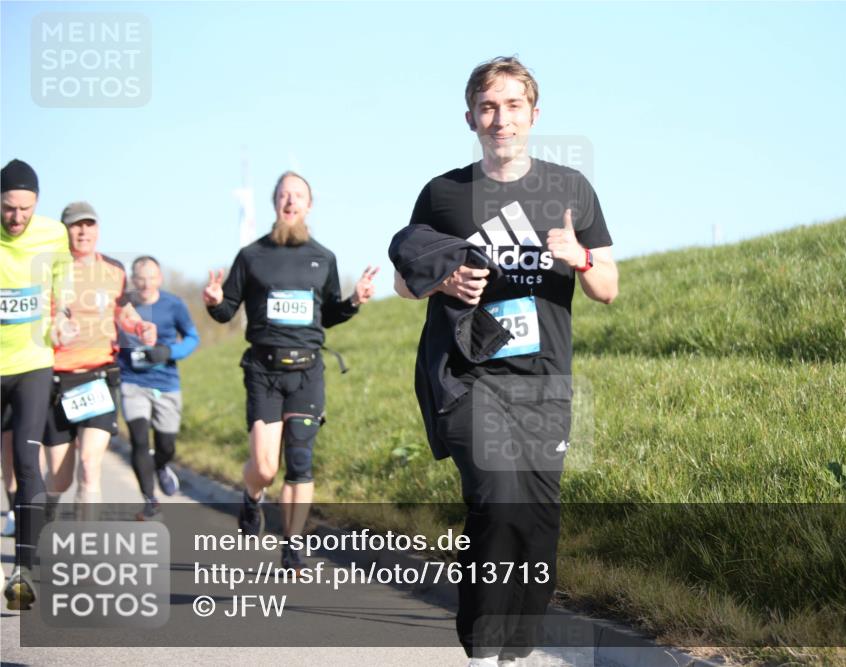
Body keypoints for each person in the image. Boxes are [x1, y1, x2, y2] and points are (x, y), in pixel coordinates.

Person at [390, 57, 618, 666]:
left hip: (545, 382)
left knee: (538, 520)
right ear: (471, 117)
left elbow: (610, 288)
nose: (501, 119)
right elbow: (404, 281)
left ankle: (515, 650)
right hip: (470, 376)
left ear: (533, 114)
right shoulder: (443, 193)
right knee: (495, 500)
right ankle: (484, 652)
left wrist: (580, 257)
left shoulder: (570, 189)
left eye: (514, 105)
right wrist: (442, 285)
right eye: (489, 107)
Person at [203, 170, 378, 572]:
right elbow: (228, 309)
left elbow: (328, 314)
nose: (290, 201)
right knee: (264, 467)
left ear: (309, 205)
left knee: (300, 460)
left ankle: (293, 545)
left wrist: (355, 300)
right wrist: (214, 301)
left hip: (307, 372)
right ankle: (251, 496)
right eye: (283, 195)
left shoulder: (323, 257)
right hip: (263, 371)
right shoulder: (251, 256)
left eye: (298, 195)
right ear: (275, 203)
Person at [42, 202, 155, 521]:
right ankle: (45, 517)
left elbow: (125, 310)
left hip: (98, 380)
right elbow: (42, 318)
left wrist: (140, 326)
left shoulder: (114, 270)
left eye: (89, 225)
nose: (83, 231)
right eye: (76, 225)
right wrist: (55, 328)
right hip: (58, 382)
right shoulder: (51, 270)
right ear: (64, 231)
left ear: (98, 230)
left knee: (90, 466)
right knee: (60, 479)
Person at [0, 158, 73, 610]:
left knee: (28, 462)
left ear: (37, 204)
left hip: (32, 362)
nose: (17, 218)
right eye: (9, 209)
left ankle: (23, 569)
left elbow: (63, 273)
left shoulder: (52, 233)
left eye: (25, 209)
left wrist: (63, 313)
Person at [117, 256, 199, 518]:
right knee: (139, 441)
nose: (146, 283)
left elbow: (192, 338)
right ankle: (150, 500)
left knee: (166, 446)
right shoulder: (122, 306)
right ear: (132, 279)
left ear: (160, 279)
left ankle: (162, 466)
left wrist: (168, 352)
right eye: (140, 278)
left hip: (166, 383)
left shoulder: (173, 305)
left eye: (151, 277)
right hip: (132, 382)